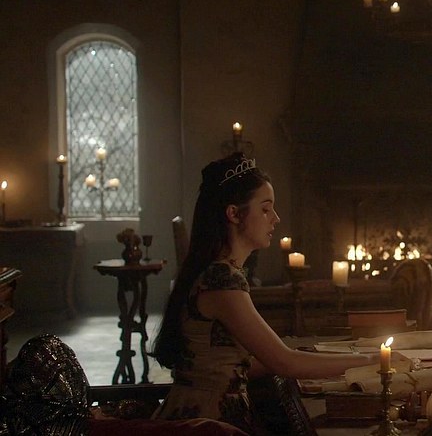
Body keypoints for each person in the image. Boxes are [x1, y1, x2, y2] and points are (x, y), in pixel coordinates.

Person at [152, 152, 377, 434]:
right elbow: (285, 363)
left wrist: (313, 355)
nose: (276, 219)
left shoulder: (219, 273)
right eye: (266, 209)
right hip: (206, 424)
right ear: (234, 214)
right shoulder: (221, 280)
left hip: (205, 415)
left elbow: (237, 363)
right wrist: (373, 361)